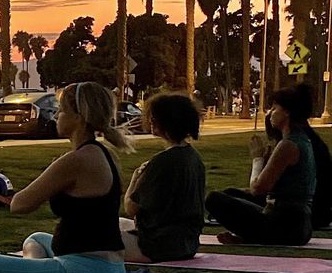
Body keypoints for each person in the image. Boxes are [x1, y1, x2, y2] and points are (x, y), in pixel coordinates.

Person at [0, 81, 128, 273]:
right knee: (36, 239)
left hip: (86, 271)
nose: (57, 115)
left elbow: (20, 205)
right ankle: (37, 272)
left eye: (62, 111)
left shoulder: (76, 160)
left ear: (78, 117)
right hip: (111, 267)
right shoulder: (103, 154)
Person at [206, 84, 317, 245]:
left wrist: (257, 159)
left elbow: (257, 189)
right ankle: (250, 236)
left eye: (274, 108)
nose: (270, 113)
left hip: (286, 225)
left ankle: (253, 237)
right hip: (296, 223)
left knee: (213, 199)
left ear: (287, 112)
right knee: (230, 193)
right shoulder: (302, 140)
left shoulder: (288, 145)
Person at [119, 92, 206, 262]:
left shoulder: (162, 162)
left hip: (157, 246)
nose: (150, 120)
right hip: (187, 243)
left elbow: (131, 207)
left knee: (90, 238)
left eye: (154, 117)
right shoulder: (194, 158)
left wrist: (135, 179)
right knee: (115, 223)